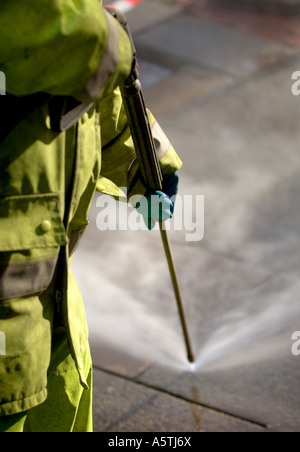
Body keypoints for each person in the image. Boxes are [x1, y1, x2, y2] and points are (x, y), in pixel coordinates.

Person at [0, 0, 182, 432]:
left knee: (61, 396)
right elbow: (75, 42)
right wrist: (110, 41)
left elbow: (94, 104)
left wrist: (146, 162)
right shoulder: (81, 34)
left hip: (50, 294)